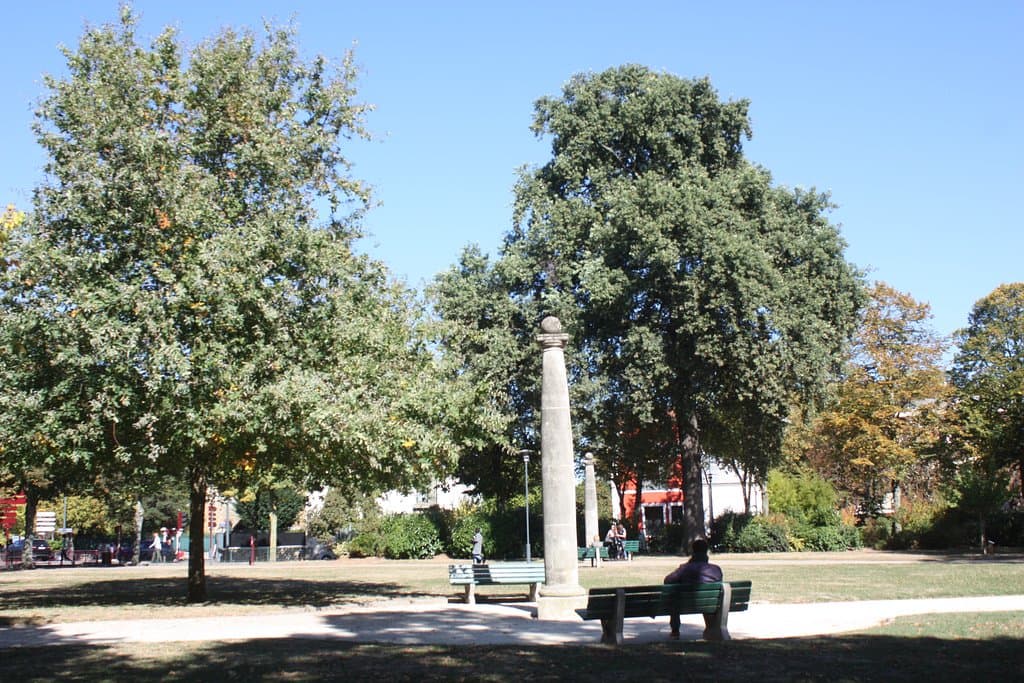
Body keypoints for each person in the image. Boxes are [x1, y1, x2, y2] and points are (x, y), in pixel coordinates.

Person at [663, 538, 723, 639]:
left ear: (693, 551)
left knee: (674, 598)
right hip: (710, 603)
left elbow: (668, 581)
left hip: (684, 603)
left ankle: (675, 631)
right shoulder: (716, 569)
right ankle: (711, 628)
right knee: (709, 598)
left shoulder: (685, 568)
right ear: (706, 552)